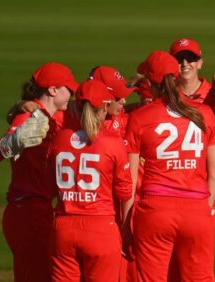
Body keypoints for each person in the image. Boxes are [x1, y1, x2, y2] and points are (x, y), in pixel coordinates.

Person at [124, 51, 215, 281]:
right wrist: (204, 209)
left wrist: (126, 222)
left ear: (149, 82)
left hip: (155, 211)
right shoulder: (204, 113)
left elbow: (128, 180)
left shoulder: (139, 117)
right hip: (196, 210)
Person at [0, 62, 79, 282]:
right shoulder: (27, 118)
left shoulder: (60, 115)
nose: (72, 94)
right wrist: (12, 140)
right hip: (27, 211)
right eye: (69, 89)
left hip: (40, 209)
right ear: (53, 90)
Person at [49, 80, 132, 282]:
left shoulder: (60, 139)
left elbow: (51, 184)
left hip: (63, 229)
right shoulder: (112, 143)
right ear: (105, 107)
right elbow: (124, 192)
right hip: (101, 229)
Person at [169, 38, 215, 109]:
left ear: (200, 63)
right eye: (179, 59)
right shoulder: (167, 95)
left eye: (190, 58)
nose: (185, 63)